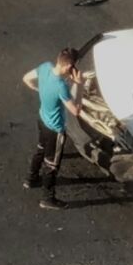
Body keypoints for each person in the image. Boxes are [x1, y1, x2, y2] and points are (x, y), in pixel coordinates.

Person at [22, 48, 83, 210]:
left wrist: (39, 90)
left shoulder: (45, 67)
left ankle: (31, 178)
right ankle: (47, 199)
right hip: (55, 129)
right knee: (52, 164)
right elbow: (75, 110)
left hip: (42, 119)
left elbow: (26, 78)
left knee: (40, 149)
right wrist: (79, 85)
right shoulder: (61, 86)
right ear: (69, 66)